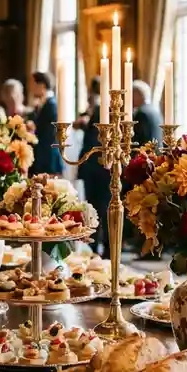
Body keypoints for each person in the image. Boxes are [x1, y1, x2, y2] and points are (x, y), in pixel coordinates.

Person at [77, 76, 110, 255]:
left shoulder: (101, 108)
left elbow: (94, 139)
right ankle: (99, 246)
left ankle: (100, 247)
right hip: (99, 166)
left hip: (97, 167)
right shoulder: (99, 107)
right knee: (98, 208)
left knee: (99, 208)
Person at [29, 71, 63, 176]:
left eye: (33, 85)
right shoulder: (43, 103)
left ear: (42, 85)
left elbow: (50, 133)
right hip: (43, 157)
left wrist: (34, 128)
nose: (31, 88)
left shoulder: (51, 104)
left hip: (49, 158)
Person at [132, 80, 163, 148]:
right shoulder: (155, 110)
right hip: (157, 153)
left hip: (146, 154)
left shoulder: (141, 113)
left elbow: (137, 141)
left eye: (132, 95)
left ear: (138, 94)